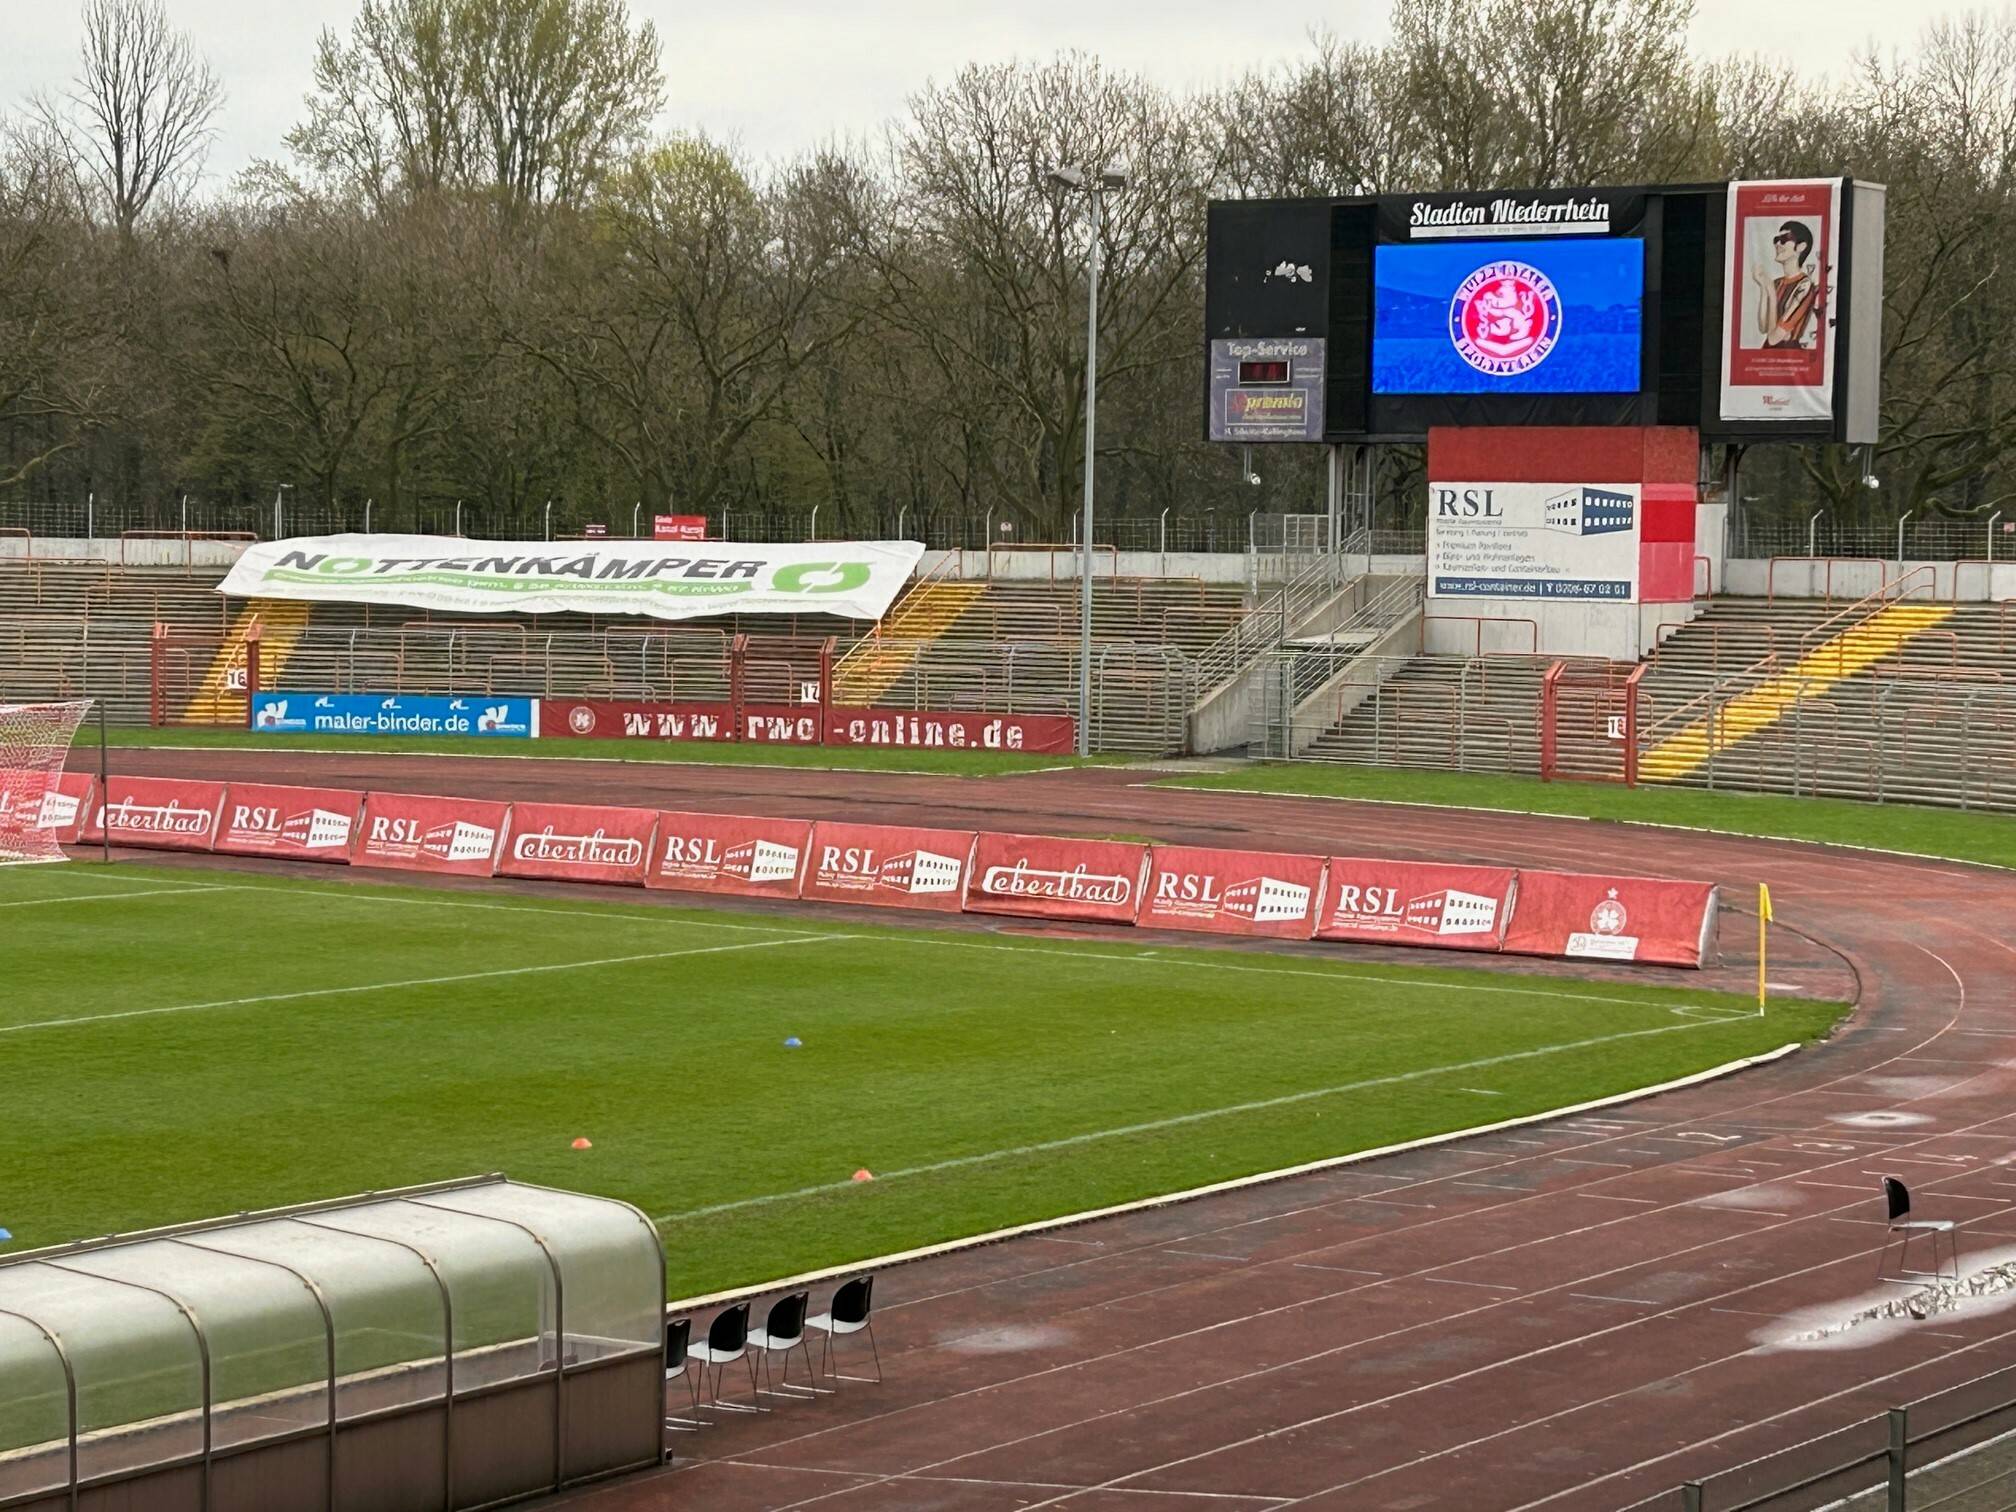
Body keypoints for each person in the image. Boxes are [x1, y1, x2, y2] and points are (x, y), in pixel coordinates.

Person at [1750, 220, 1820, 348]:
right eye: (1776, 239)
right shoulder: (1776, 283)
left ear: (1801, 247)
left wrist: (1770, 292)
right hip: (1767, 354)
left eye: (1784, 239)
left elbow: (1773, 338)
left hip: (1790, 355)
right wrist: (1763, 287)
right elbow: (1763, 327)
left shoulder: (1804, 285)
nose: (1778, 244)